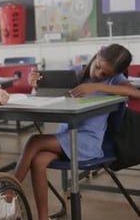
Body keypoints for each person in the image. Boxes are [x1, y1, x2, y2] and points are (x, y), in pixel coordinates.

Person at [8, 43, 140, 220]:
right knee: (39, 160)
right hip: (66, 136)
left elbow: (134, 92)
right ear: (97, 54)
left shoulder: (112, 81)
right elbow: (52, 95)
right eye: (98, 66)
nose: (98, 74)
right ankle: (43, 217)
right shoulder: (76, 73)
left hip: (87, 143)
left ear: (114, 74)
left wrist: (97, 86)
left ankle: (8, 197)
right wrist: (37, 84)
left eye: (105, 73)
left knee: (34, 141)